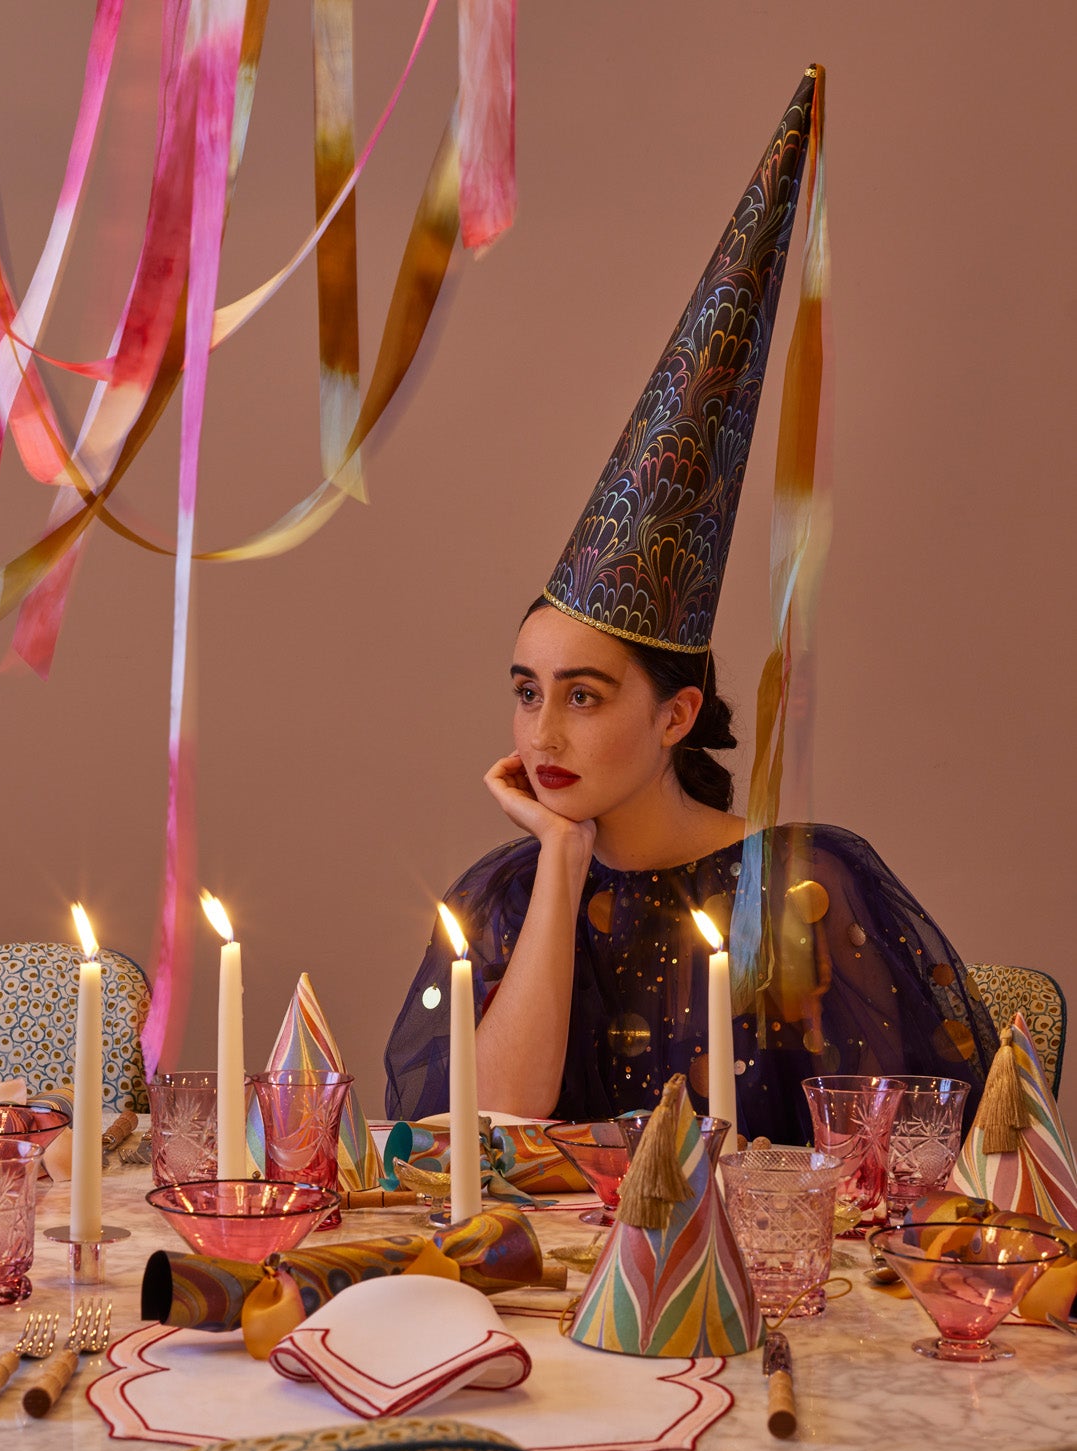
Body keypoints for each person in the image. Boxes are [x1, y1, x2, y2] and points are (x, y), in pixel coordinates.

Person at [385, 68, 995, 1138]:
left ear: (673, 712)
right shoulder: (502, 896)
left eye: (583, 695)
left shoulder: (804, 887)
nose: (542, 732)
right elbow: (484, 1145)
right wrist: (563, 862)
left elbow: (909, 1164)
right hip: (545, 1307)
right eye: (527, 693)